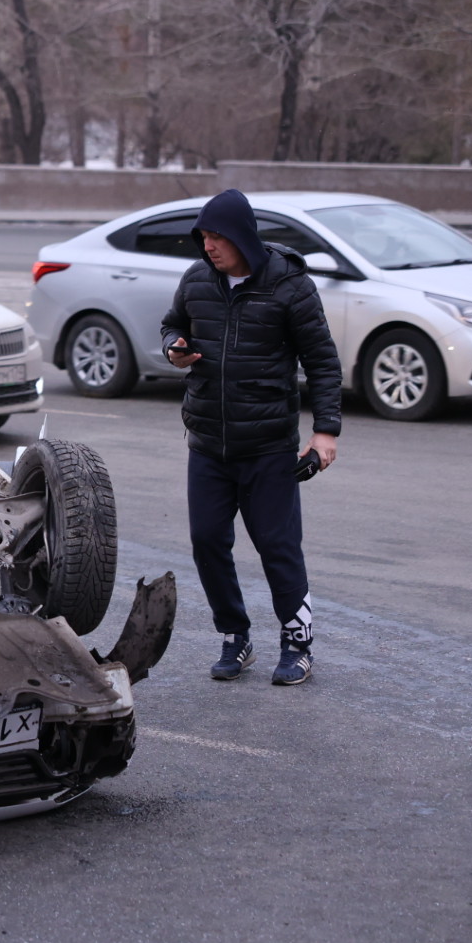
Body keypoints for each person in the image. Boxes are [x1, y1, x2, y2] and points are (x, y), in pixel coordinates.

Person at [160, 189, 340, 686]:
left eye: (217, 236)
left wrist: (325, 431)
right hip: (208, 444)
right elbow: (173, 324)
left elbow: (322, 362)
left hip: (267, 445)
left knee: (278, 545)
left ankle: (297, 642)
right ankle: (235, 636)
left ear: (242, 236)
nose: (209, 246)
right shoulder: (197, 279)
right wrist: (174, 348)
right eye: (204, 237)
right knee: (207, 542)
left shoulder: (290, 286)